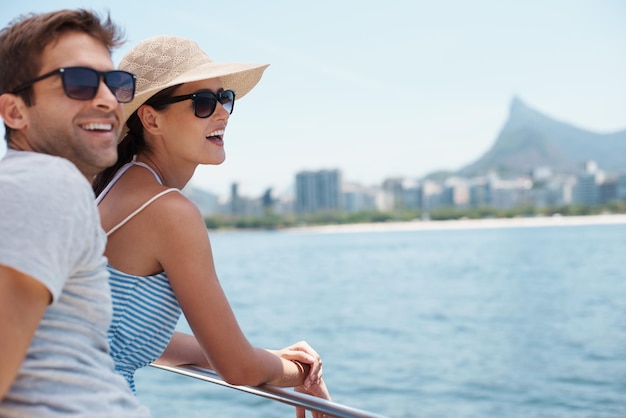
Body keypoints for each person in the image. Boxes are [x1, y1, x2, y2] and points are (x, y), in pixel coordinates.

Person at [92, 35, 331, 416]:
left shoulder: (112, 190)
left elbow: (115, 333)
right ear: (150, 118)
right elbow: (237, 368)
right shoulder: (167, 209)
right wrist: (302, 372)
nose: (223, 113)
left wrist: (258, 355)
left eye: (225, 98)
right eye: (203, 102)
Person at [0, 9, 151, 417]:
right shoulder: (47, 180)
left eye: (115, 83)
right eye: (78, 82)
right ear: (15, 112)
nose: (106, 99)